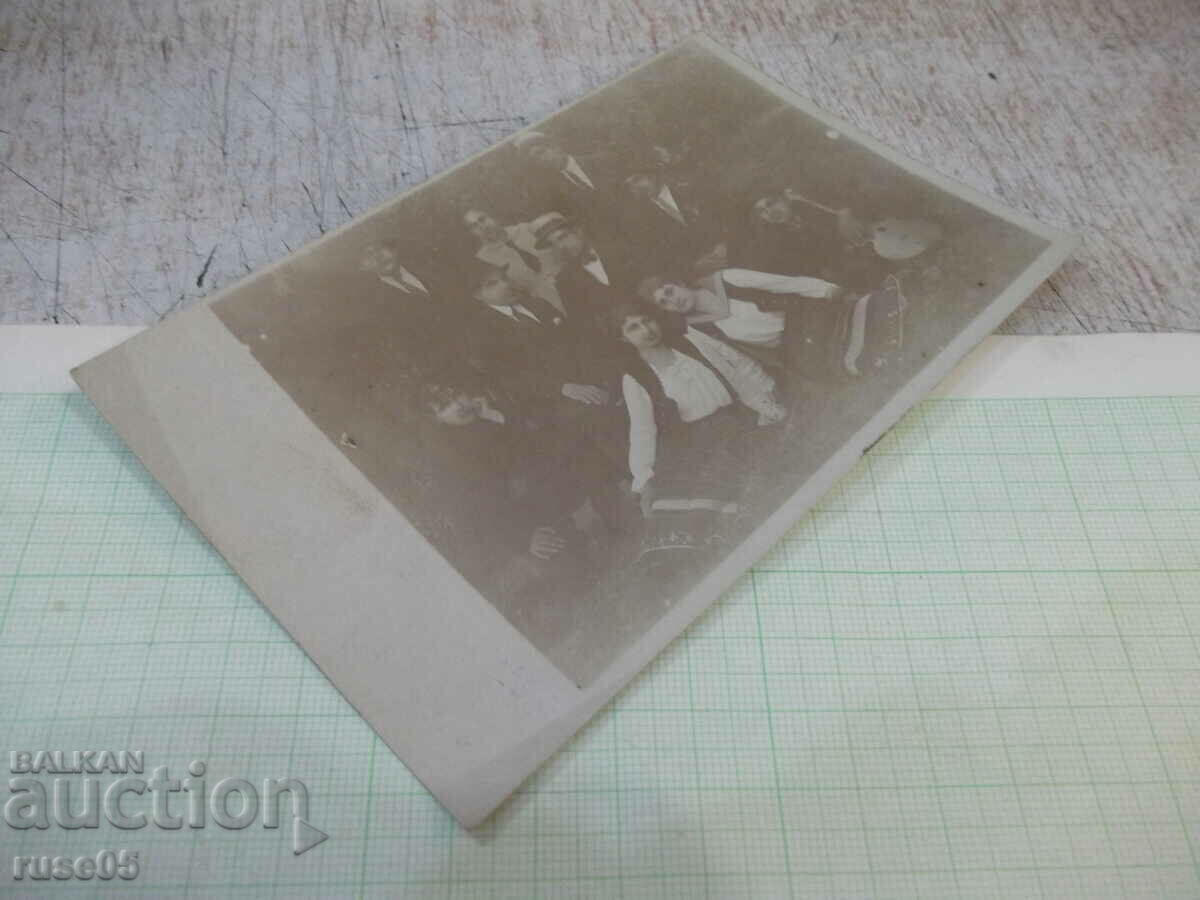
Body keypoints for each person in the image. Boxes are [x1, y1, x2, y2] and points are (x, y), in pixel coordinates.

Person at [418, 380, 621, 641]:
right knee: (580, 576)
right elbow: (480, 511)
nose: (459, 404)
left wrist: (494, 415)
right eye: (446, 405)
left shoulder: (494, 414)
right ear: (436, 418)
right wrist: (525, 539)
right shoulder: (452, 455)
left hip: (561, 490)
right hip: (527, 522)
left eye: (458, 393)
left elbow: (542, 440)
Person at [611, 302, 787, 572]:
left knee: (738, 475)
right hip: (694, 440)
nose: (646, 330)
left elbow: (735, 376)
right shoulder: (636, 376)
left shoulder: (691, 342)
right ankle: (685, 553)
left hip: (735, 423)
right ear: (623, 338)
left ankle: (729, 531)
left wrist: (765, 407)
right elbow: (642, 429)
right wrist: (643, 477)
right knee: (685, 492)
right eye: (634, 327)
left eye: (647, 320)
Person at [637, 268, 853, 366]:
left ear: (680, 283)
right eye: (664, 302)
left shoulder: (728, 279)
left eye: (670, 291)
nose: (673, 301)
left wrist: (827, 290)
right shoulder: (699, 328)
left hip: (809, 316)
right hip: (798, 348)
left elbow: (783, 283)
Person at [462, 208, 564, 311]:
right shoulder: (483, 259)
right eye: (474, 226)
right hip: (545, 303)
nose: (482, 226)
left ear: (492, 216)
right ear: (471, 233)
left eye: (482, 219)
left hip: (566, 279)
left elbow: (560, 250)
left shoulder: (526, 229)